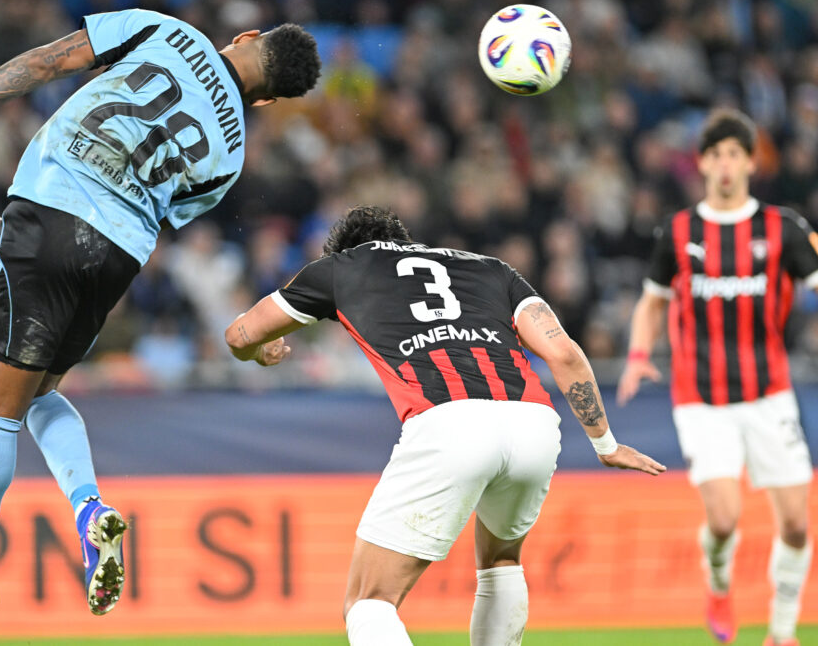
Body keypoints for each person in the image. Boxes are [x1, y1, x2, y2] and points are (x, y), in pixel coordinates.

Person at [0, 10, 320, 617]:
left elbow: (47, 61)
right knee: (39, 394)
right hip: (114, 259)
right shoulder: (230, 154)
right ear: (265, 100)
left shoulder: (165, 30)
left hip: (51, 213)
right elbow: (144, 205)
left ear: (245, 37)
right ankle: (88, 508)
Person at [225, 205, 664, 646]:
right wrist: (606, 444)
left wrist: (259, 351)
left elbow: (240, 335)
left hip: (449, 422)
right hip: (533, 422)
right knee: (501, 561)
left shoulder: (340, 269)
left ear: (345, 250)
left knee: (369, 600)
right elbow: (564, 352)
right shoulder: (492, 269)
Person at [618, 108, 816, 646]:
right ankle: (720, 582)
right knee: (725, 518)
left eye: (735, 154)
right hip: (701, 398)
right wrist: (638, 354)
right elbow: (652, 302)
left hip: (769, 393)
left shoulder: (784, 228)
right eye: (715, 155)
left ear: (751, 162)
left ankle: (781, 632)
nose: (725, 164)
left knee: (797, 524)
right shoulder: (679, 232)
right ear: (702, 163)